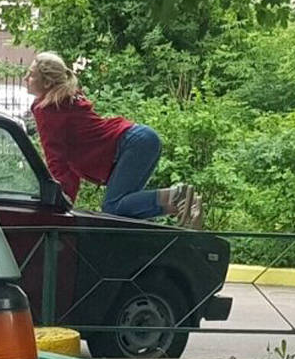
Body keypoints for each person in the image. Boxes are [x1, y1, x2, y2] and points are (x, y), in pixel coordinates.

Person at [24, 51, 203, 228]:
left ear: (47, 82)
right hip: (140, 140)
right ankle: (184, 205)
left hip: (132, 144)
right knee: (123, 210)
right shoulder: (64, 100)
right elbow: (68, 169)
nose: (25, 78)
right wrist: (66, 201)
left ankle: (176, 197)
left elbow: (56, 160)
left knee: (113, 208)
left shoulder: (48, 110)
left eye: (31, 75)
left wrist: (58, 204)